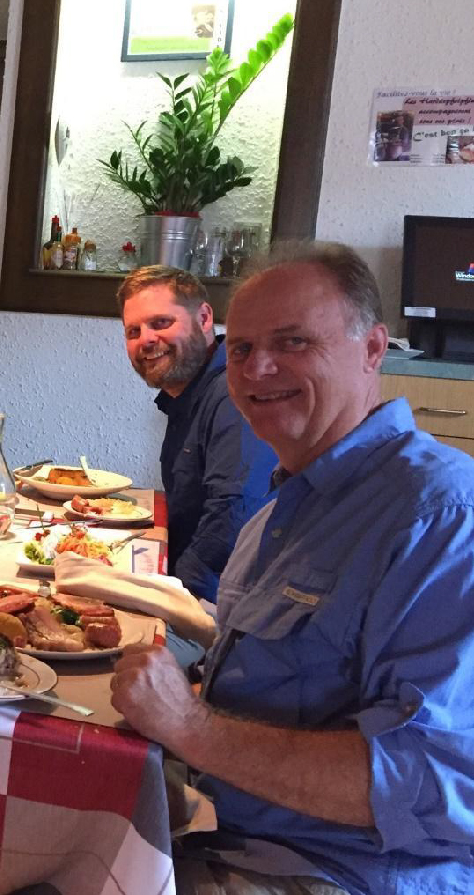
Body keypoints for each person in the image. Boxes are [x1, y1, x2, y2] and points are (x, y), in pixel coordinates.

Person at [112, 243, 474, 894]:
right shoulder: (283, 509)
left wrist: (189, 726)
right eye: (243, 349)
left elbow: (430, 784)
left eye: (294, 341)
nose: (258, 368)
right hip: (228, 831)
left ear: (373, 350)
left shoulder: (441, 514)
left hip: (338, 874)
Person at [118, 266, 276, 602]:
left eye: (161, 323)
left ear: (204, 318)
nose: (145, 339)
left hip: (221, 608)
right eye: (133, 331)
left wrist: (166, 605)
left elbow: (232, 519)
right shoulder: (188, 395)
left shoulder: (234, 395)